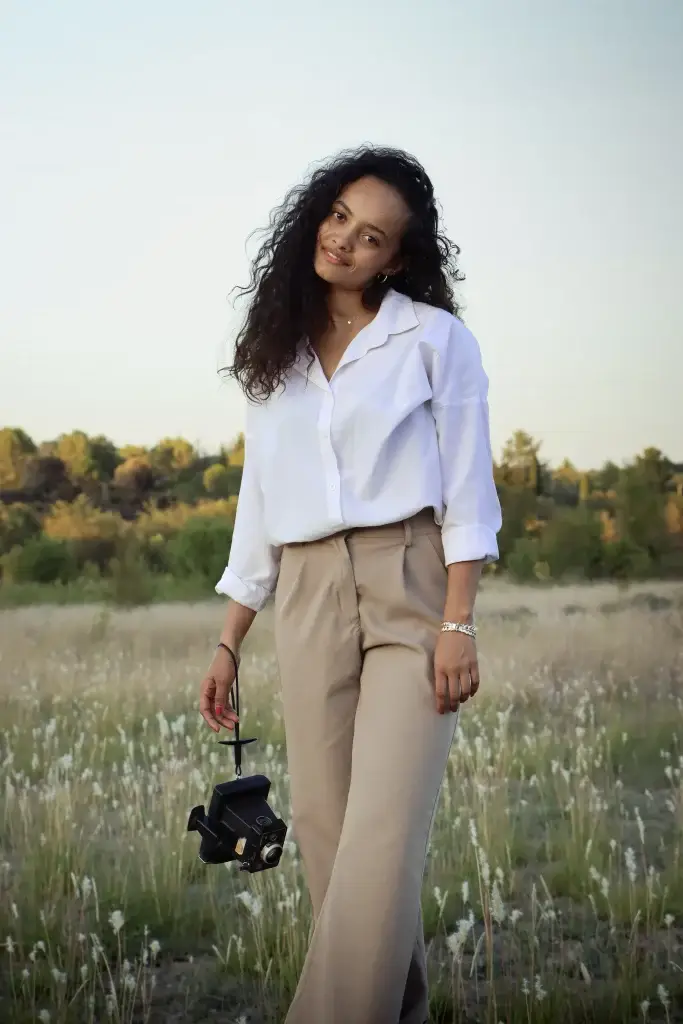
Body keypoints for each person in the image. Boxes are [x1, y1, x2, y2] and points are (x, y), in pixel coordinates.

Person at [198, 145, 502, 1024]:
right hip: (304, 591)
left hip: (408, 580)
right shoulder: (276, 354)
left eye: (369, 236)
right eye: (337, 217)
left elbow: (469, 493)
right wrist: (229, 638)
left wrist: (458, 623)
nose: (343, 240)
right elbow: (259, 503)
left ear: (395, 259)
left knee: (381, 837)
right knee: (330, 838)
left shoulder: (435, 341)